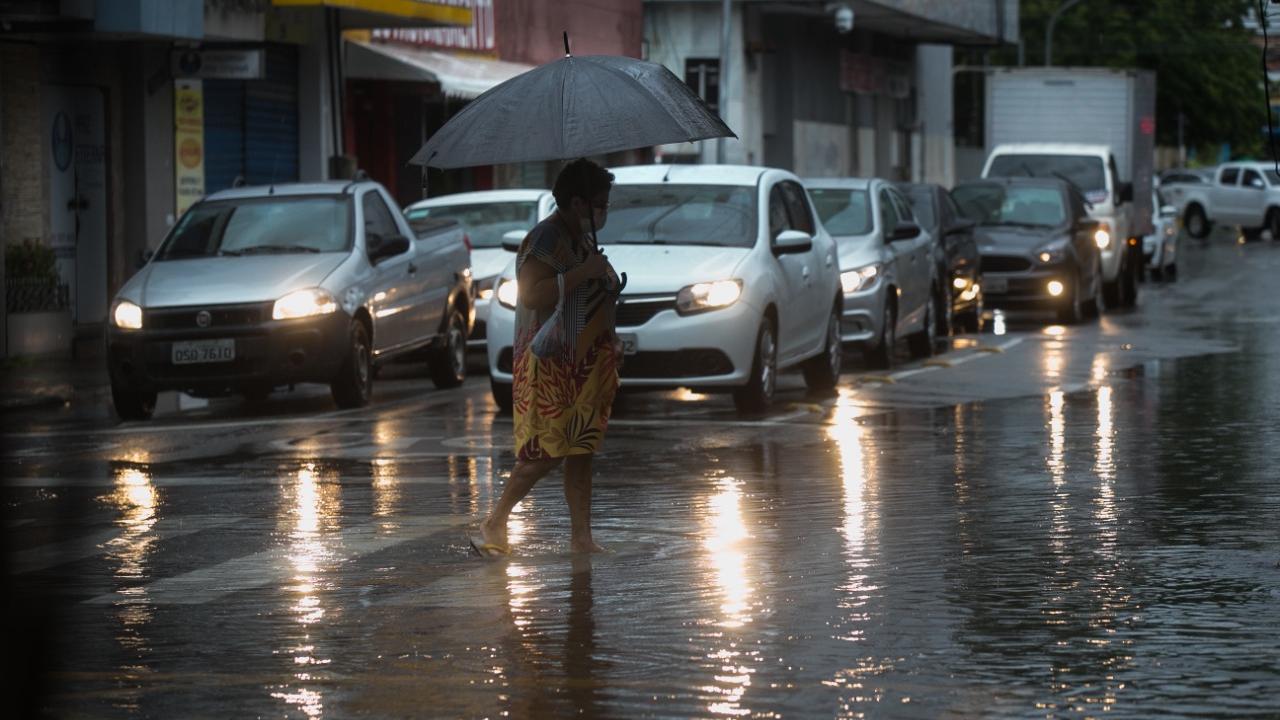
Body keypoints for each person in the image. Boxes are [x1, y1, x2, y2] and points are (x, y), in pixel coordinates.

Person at [476, 159, 622, 555]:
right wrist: (583, 272)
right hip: (551, 367)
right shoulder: (545, 239)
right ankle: (495, 521)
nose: (604, 211)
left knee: (580, 451)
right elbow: (532, 294)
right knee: (545, 454)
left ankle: (581, 539)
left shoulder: (582, 238)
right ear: (577, 202)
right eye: (599, 203)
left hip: (584, 366)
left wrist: (611, 336)